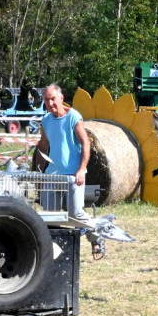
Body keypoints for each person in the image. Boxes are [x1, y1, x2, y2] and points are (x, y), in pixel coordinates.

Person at [37, 84, 103, 259]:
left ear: (61, 98)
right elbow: (43, 146)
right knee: (50, 215)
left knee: (75, 214)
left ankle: (96, 236)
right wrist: (39, 173)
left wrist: (81, 170)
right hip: (52, 175)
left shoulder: (73, 116)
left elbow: (85, 143)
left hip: (73, 175)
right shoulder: (46, 120)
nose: (50, 103)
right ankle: (54, 252)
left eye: (52, 98)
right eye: (46, 100)